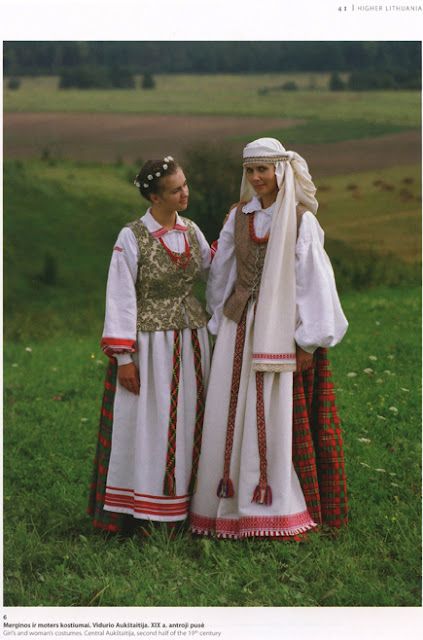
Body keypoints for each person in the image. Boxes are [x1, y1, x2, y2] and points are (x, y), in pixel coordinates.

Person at [190, 138, 348, 540]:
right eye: (250, 170)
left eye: (263, 169)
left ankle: (274, 509)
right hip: (238, 325)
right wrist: (218, 318)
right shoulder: (238, 217)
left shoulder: (300, 219)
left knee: (272, 414)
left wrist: (308, 339)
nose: (256, 178)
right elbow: (223, 272)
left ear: (280, 171)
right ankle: (221, 506)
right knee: (227, 410)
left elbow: (313, 281)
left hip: (279, 329)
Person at [88, 156, 212, 534]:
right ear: (155, 197)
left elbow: (216, 271)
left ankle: (192, 508)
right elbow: (121, 296)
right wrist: (124, 358)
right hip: (150, 347)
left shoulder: (191, 231)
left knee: (192, 418)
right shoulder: (132, 237)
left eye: (185, 185)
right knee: (150, 424)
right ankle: (146, 512)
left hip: (193, 342)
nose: (185, 193)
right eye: (176, 190)